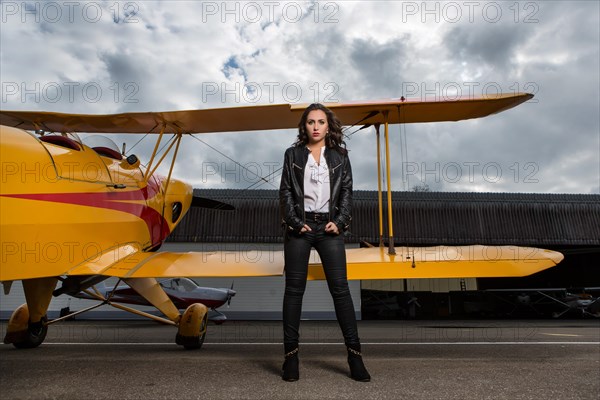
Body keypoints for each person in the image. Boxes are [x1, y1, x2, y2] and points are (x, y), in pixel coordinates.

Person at [278, 103, 370, 382]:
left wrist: (340, 222)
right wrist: (295, 222)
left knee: (341, 291)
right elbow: (285, 192)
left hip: (330, 229)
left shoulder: (340, 155)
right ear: (303, 126)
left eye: (320, 122)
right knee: (294, 291)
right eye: (310, 122)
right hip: (300, 228)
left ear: (329, 126)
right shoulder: (292, 154)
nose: (315, 126)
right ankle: (291, 360)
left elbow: (347, 192)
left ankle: (355, 358)